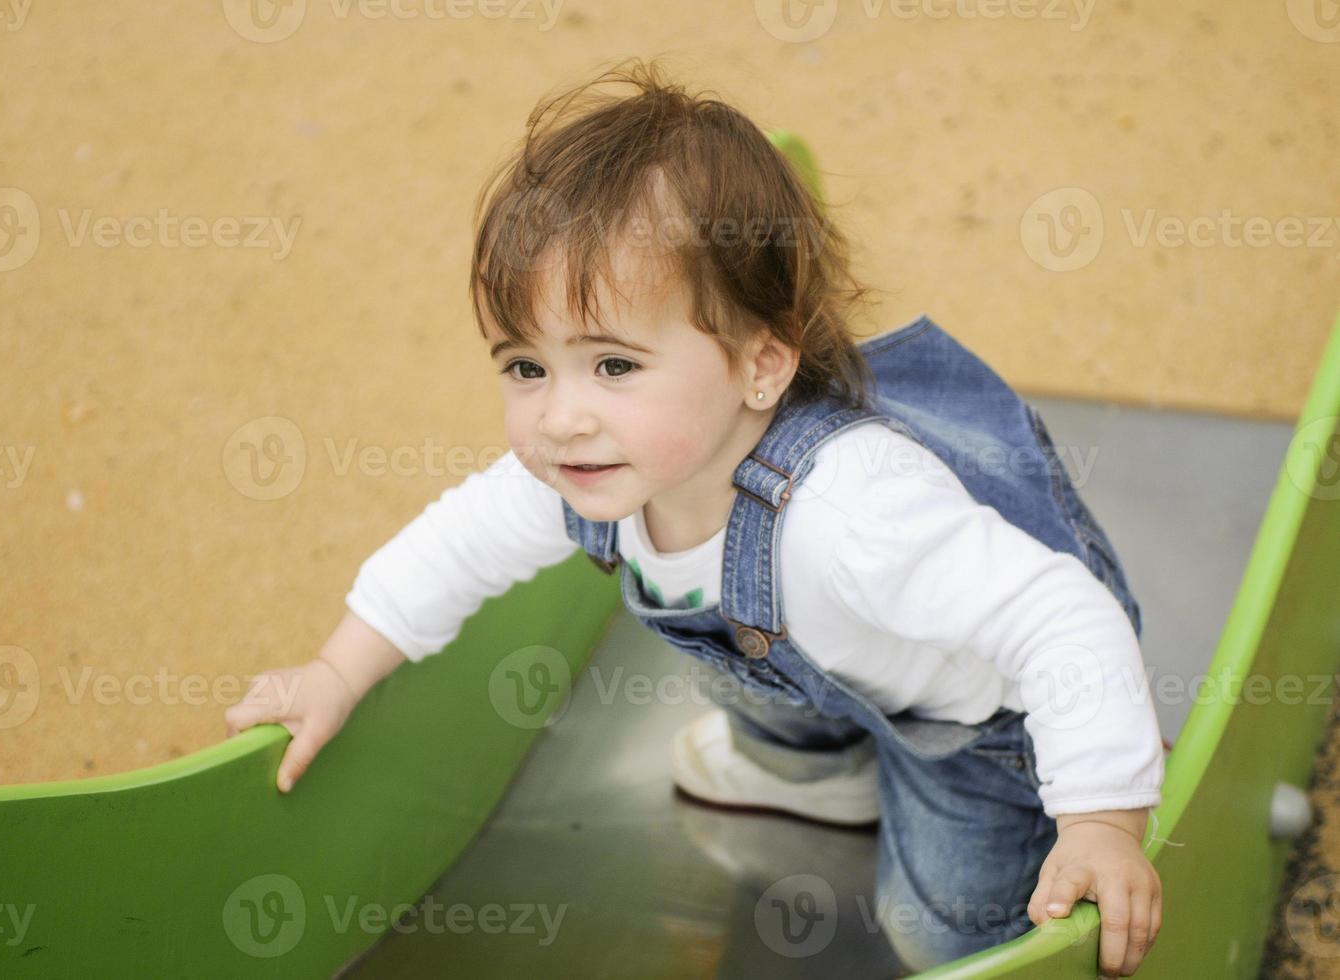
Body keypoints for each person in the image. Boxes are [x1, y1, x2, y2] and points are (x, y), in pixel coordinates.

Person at [225, 57, 1164, 977]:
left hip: (978, 717)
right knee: (732, 648)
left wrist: (1103, 822)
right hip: (832, 670)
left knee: (942, 930)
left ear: (762, 365)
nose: (560, 415)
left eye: (615, 366)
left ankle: (1022, 833)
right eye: (526, 367)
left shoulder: (851, 514)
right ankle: (814, 773)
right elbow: (456, 546)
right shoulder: (587, 468)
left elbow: (1064, 619)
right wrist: (336, 672)